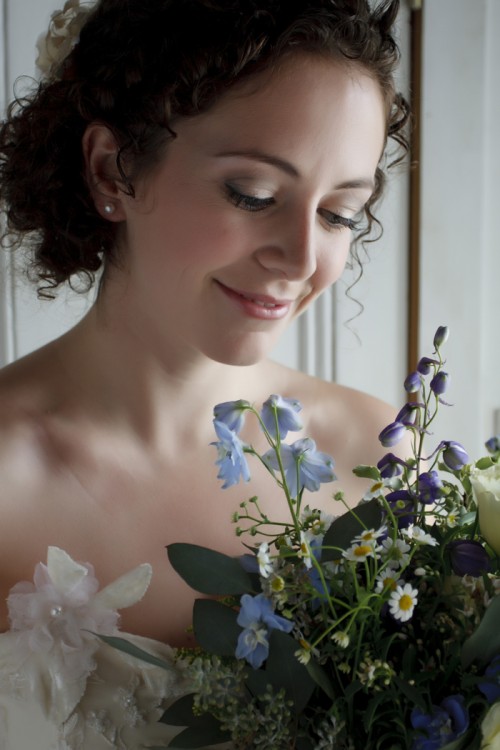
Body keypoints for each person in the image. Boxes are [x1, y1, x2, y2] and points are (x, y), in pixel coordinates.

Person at [0, 0, 409, 745]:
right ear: (111, 170)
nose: (303, 257)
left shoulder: (377, 457)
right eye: (252, 194)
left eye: (340, 213)